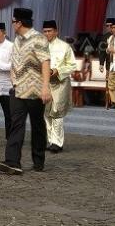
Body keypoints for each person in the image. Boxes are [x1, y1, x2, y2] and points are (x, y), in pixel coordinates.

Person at [0, 8, 51, 175]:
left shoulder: (38, 39)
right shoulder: (17, 40)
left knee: (37, 126)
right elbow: (14, 62)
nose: (12, 24)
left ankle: (38, 160)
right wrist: (13, 79)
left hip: (35, 90)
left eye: (13, 21)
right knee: (16, 124)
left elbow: (45, 63)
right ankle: (12, 162)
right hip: (18, 90)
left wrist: (45, 87)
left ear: (19, 23)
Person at [42, 20, 77, 153]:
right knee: (46, 112)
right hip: (44, 83)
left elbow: (72, 65)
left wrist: (58, 70)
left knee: (57, 112)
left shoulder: (64, 46)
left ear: (56, 31)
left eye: (50, 31)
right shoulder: (39, 46)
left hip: (60, 83)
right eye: (45, 31)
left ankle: (57, 142)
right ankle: (50, 140)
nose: (47, 33)